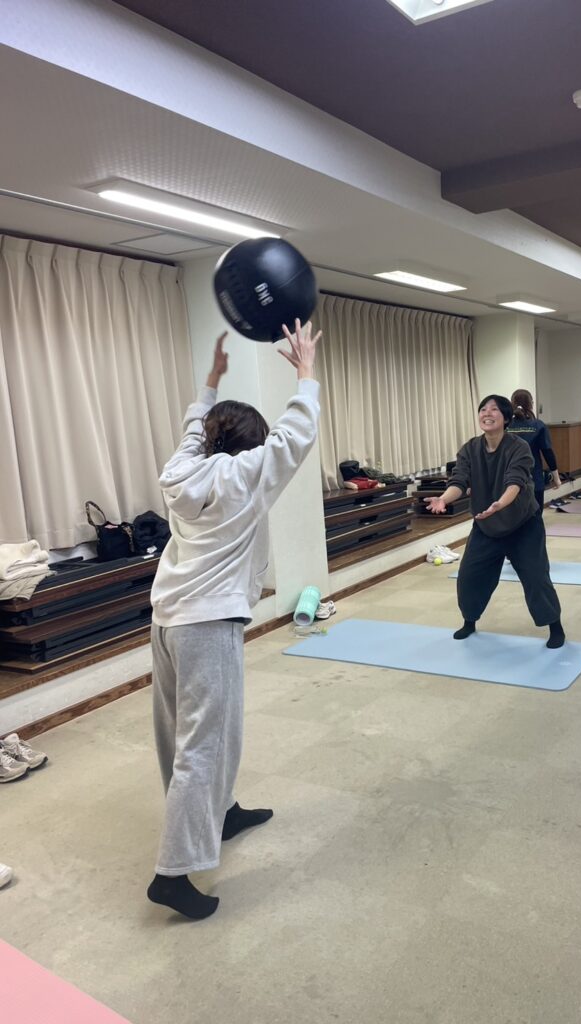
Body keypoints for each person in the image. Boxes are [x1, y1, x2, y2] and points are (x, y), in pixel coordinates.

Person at [147, 321, 321, 921]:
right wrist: (305, 372)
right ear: (251, 446)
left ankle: (220, 813)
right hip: (208, 623)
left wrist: (209, 384)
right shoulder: (247, 476)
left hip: (167, 622)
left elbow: (193, 431)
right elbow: (296, 435)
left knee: (183, 736)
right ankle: (173, 873)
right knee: (203, 744)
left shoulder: (180, 471)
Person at [425, 395, 565, 649]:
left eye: (493, 410)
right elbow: (459, 480)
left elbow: (515, 480)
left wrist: (501, 503)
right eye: (483, 409)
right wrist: (443, 499)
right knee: (469, 577)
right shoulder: (470, 449)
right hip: (486, 526)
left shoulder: (518, 447)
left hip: (523, 525)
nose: (486, 413)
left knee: (536, 577)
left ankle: (555, 626)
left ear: (506, 418)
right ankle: (469, 621)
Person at [506, 389, 561, 511]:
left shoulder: (505, 426)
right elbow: (548, 452)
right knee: (535, 516)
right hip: (534, 478)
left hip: (508, 480)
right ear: (531, 404)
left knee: (512, 517)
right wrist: (556, 478)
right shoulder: (538, 425)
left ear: (512, 404)